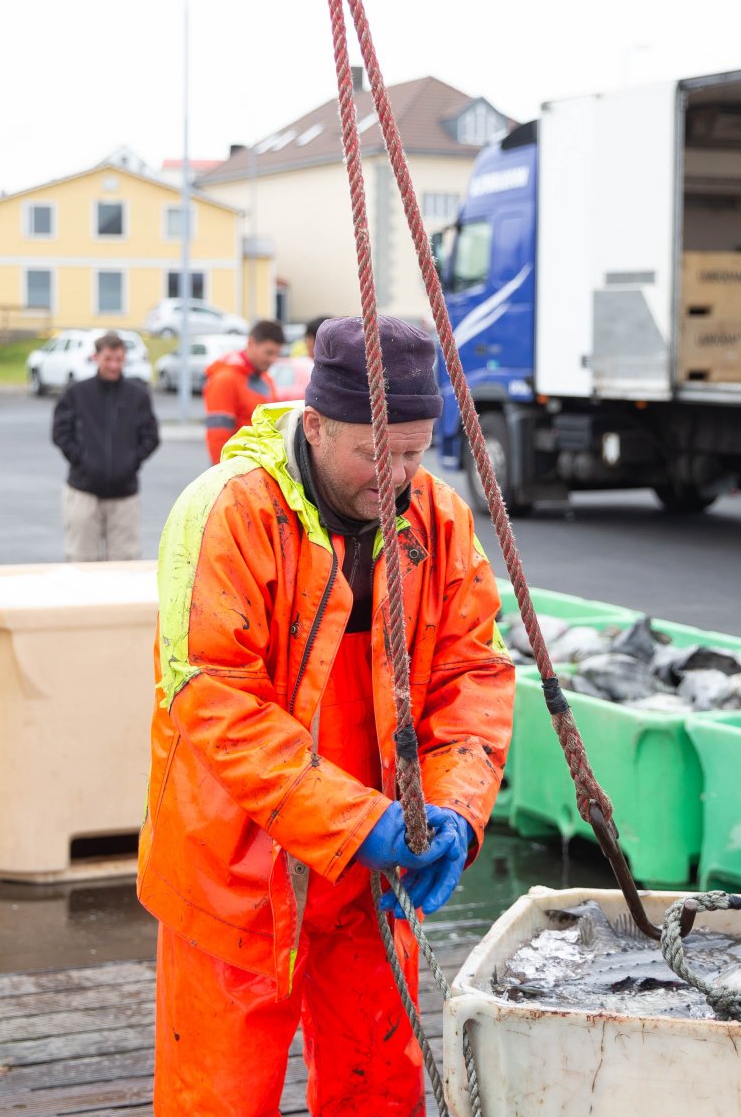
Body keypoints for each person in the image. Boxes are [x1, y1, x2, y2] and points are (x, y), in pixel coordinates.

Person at [143, 315, 514, 1115]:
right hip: (236, 870)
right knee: (217, 1097)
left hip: (371, 876)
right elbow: (219, 699)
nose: (398, 477)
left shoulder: (439, 518)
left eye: (414, 454)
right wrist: (358, 822)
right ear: (314, 426)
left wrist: (455, 807)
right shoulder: (227, 512)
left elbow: (472, 672)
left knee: (378, 1086)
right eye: (376, 455)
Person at [49, 331, 159, 561]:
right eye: (108, 359)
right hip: (83, 491)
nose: (113, 365)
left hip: (124, 495)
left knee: (125, 564)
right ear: (96, 357)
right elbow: (60, 432)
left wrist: (131, 461)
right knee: (81, 561)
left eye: (119, 359)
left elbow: (151, 436)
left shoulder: (138, 396)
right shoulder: (77, 393)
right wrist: (81, 460)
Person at [202, 318, 285, 463]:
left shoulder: (265, 379)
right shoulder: (225, 380)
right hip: (237, 468)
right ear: (251, 343)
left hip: (259, 465)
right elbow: (218, 436)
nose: (273, 359)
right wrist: (224, 472)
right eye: (268, 353)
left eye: (276, 354)